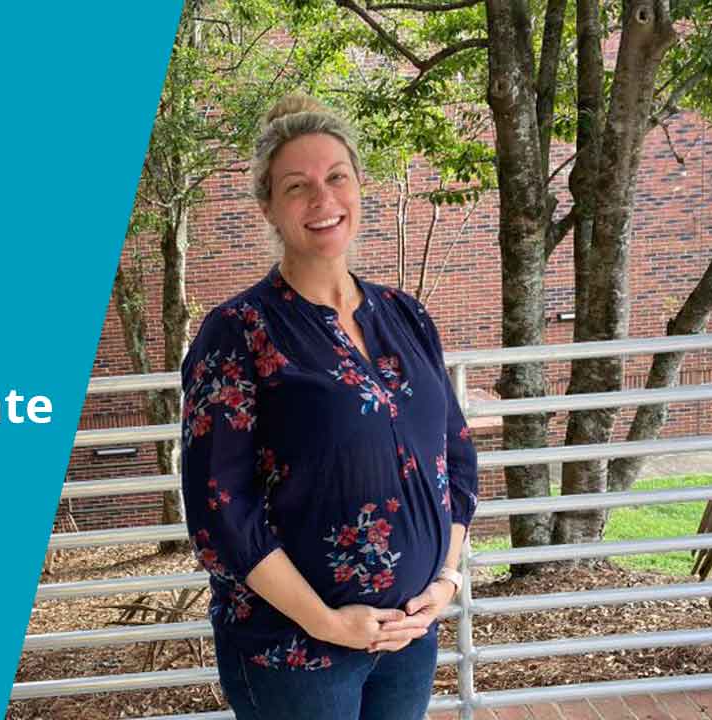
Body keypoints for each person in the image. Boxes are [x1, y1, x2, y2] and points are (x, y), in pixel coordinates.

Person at [179, 94, 479, 720]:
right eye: (298, 186)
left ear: (358, 186)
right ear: (268, 207)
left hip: (408, 632)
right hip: (294, 649)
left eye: (336, 177)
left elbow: (454, 457)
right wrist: (329, 622)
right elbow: (219, 510)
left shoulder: (405, 315)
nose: (323, 199)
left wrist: (445, 582)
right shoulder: (240, 330)